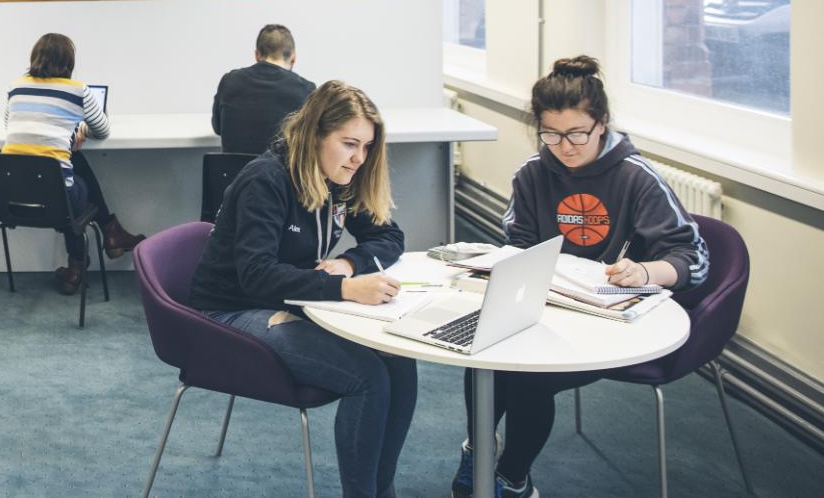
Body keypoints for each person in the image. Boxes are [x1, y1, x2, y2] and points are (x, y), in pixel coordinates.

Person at [449, 55, 710, 498]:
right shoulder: (533, 173)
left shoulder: (636, 177)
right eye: (550, 134)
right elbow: (518, 242)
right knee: (484, 353)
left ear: (602, 123)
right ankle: (479, 453)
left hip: (609, 317)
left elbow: (694, 258)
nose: (564, 147)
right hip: (546, 307)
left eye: (576, 134)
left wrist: (644, 270)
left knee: (530, 375)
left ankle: (513, 478)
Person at [188, 80, 414, 498]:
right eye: (349, 144)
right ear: (315, 135)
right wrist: (344, 288)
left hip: (291, 299)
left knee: (399, 362)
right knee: (368, 378)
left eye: (366, 147)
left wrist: (349, 262)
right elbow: (256, 275)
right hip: (229, 312)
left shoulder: (338, 179)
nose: (358, 159)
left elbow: (390, 236)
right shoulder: (267, 180)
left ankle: (382, 491)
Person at [2, 33, 146, 294]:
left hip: (11, 201)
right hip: (58, 201)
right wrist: (78, 127)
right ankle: (106, 235)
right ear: (69, 62)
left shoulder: (15, 88)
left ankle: (81, 263)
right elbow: (102, 130)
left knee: (65, 167)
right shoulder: (78, 90)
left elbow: (9, 127)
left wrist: (65, 133)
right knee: (68, 181)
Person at [212, 23, 317, 155]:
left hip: (232, 174)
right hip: (279, 175)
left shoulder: (229, 81)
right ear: (293, 58)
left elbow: (218, 128)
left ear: (257, 55)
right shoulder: (306, 90)